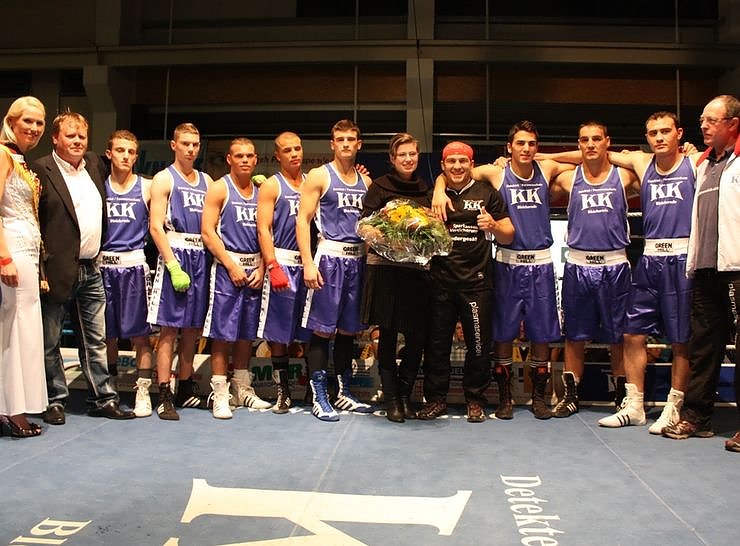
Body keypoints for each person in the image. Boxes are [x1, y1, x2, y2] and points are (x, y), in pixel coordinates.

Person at [433, 120, 574, 420]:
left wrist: (552, 154)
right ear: (509, 147)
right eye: (520, 143)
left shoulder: (546, 168)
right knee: (503, 333)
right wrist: (438, 189)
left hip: (541, 263)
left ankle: (538, 399)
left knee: (541, 335)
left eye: (531, 144)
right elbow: (457, 171)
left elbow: (582, 158)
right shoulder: (496, 172)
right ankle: (505, 399)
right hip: (507, 263)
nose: (526, 148)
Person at [597, 112, 699, 431]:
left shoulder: (695, 163)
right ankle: (635, 406)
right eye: (653, 133)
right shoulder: (642, 163)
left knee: (680, 339)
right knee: (632, 332)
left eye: (665, 131)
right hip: (650, 257)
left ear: (679, 133)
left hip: (683, 258)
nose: (659, 137)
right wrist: (537, 156)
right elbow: (596, 152)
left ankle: (674, 407)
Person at [34, 111, 135, 424]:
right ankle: (54, 401)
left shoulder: (93, 164)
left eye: (82, 136)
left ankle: (103, 398)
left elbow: (123, 167)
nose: (77, 141)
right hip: (55, 270)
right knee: (50, 341)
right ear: (55, 138)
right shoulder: (40, 169)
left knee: (95, 339)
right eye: (70, 136)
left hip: (92, 268)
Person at [663, 94, 740, 453]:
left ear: (732, 124)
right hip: (706, 267)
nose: (704, 126)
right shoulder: (702, 164)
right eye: (702, 121)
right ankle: (697, 417)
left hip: (737, 269)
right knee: (704, 347)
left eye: (712, 120)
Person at [546, 121, 640, 418]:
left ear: (607, 141)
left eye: (596, 139)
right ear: (578, 144)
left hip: (614, 265)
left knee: (618, 335)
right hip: (578, 265)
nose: (590, 144)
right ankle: (571, 395)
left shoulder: (624, 176)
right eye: (584, 140)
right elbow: (539, 171)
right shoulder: (568, 178)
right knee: (574, 335)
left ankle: (621, 395)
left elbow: (652, 164)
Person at [417, 141, 515, 423]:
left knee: (479, 346)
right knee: (436, 346)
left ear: (472, 164)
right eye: (451, 161)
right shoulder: (432, 196)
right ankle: (436, 400)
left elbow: (509, 233)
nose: (457, 166)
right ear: (443, 165)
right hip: (440, 283)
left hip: (476, 283)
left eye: (463, 161)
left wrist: (493, 226)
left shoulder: (487, 193)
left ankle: (475, 400)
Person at [296, 119, 373, 422]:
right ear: (332, 144)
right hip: (329, 259)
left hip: (358, 260)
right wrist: (308, 262)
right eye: (340, 139)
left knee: (348, 330)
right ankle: (319, 396)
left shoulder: (366, 182)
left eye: (350, 139)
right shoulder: (319, 175)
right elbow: (303, 220)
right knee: (322, 329)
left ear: (358, 144)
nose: (345, 144)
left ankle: (343, 391)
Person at [360, 132, 432, 423]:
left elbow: (432, 227)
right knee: (387, 335)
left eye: (412, 154)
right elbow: (365, 226)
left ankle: (405, 394)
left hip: (417, 273)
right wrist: (391, 237)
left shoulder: (426, 188)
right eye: (402, 154)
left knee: (417, 337)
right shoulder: (379, 187)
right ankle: (391, 399)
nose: (408, 159)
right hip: (386, 270)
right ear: (392, 158)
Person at [147, 123, 213, 420]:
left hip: (201, 255)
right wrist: (172, 265)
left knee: (193, 329)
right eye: (185, 143)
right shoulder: (164, 178)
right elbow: (155, 226)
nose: (190, 149)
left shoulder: (207, 181)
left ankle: (185, 388)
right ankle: (163, 393)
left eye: (195, 144)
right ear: (174, 145)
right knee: (169, 329)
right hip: (175, 253)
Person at [201, 138, 270, 419]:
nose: (244, 160)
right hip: (227, 270)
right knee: (222, 334)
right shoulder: (220, 188)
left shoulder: (262, 191)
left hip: (255, 268)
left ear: (256, 160)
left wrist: (263, 268)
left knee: (246, 335)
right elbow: (208, 232)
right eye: (239, 156)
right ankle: (220, 393)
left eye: (249, 156)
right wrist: (230, 265)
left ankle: (242, 388)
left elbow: (268, 232)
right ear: (229, 159)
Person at [0, 96, 47, 437]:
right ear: (11, 121)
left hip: (27, 254)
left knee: (20, 331)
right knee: (13, 333)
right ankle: (13, 414)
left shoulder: (19, 158)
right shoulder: (2, 155)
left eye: (39, 122)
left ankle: (10, 409)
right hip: (12, 252)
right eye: (28, 121)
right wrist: (4, 257)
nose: (34, 128)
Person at [99, 130, 154, 418]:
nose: (125, 156)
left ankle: (142, 391)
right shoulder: (98, 187)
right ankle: (109, 391)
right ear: (109, 153)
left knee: (140, 336)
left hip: (134, 268)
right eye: (120, 150)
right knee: (106, 336)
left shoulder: (147, 187)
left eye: (131, 152)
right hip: (102, 267)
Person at [256, 131, 311, 414]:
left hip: (311, 262)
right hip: (284, 262)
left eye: (297, 148)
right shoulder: (271, 185)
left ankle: (315, 387)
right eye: (287, 150)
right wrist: (272, 264)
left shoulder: (312, 182)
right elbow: (263, 228)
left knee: (313, 329)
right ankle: (283, 390)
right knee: (279, 333)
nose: (294, 154)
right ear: (277, 155)